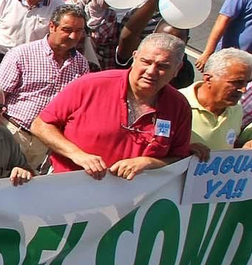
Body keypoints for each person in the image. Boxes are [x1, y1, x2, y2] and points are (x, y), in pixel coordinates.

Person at [31, 32, 192, 179]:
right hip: (69, 185)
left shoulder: (179, 106)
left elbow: (179, 158)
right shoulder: (91, 85)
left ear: (177, 69)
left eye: (162, 66)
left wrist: (149, 162)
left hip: (132, 201)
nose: (151, 71)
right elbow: (40, 125)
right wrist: (77, 154)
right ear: (134, 57)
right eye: (146, 62)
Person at [0, 2, 89, 171]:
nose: (73, 36)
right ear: (52, 26)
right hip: (13, 132)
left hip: (46, 142)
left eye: (79, 31)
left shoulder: (81, 64)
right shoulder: (21, 54)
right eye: (67, 30)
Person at [185, 48, 252, 156]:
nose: (244, 89)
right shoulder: (176, 104)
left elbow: (230, 147)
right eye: (237, 82)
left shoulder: (237, 109)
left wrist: (249, 145)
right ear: (208, 79)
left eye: (246, 83)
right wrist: (183, 150)